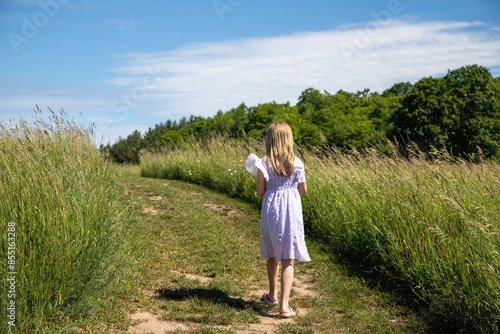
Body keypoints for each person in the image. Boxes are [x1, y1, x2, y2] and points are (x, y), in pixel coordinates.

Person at [244, 121, 310, 318]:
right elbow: (303, 190)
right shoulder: (297, 162)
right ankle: (284, 305)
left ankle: (272, 295)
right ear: (289, 139)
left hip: (271, 207)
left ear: (270, 139)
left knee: (272, 253)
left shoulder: (263, 162)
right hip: (292, 208)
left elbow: (259, 192)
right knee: (288, 257)